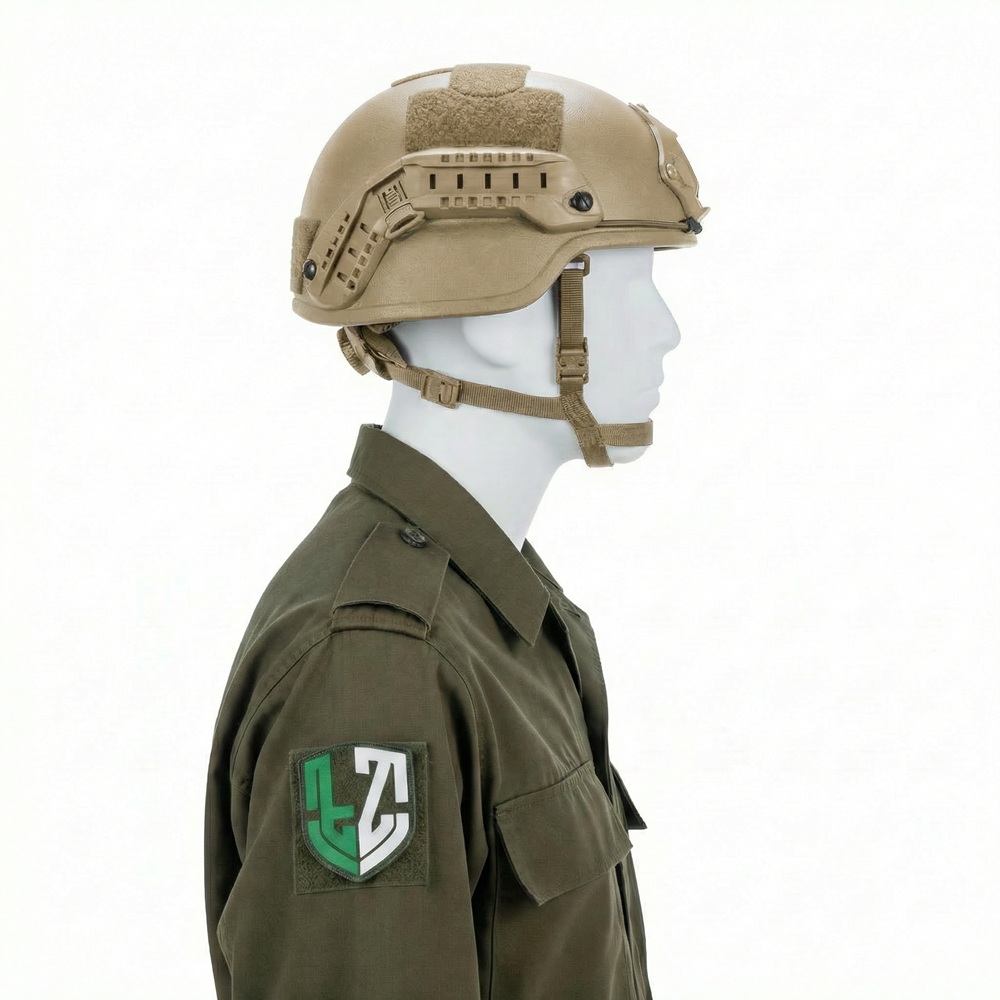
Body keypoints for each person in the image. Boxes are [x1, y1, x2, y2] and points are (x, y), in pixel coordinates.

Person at [204, 63, 707, 999]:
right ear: (493, 316)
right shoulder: (378, 660)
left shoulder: (491, 603)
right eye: (626, 282)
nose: (666, 331)